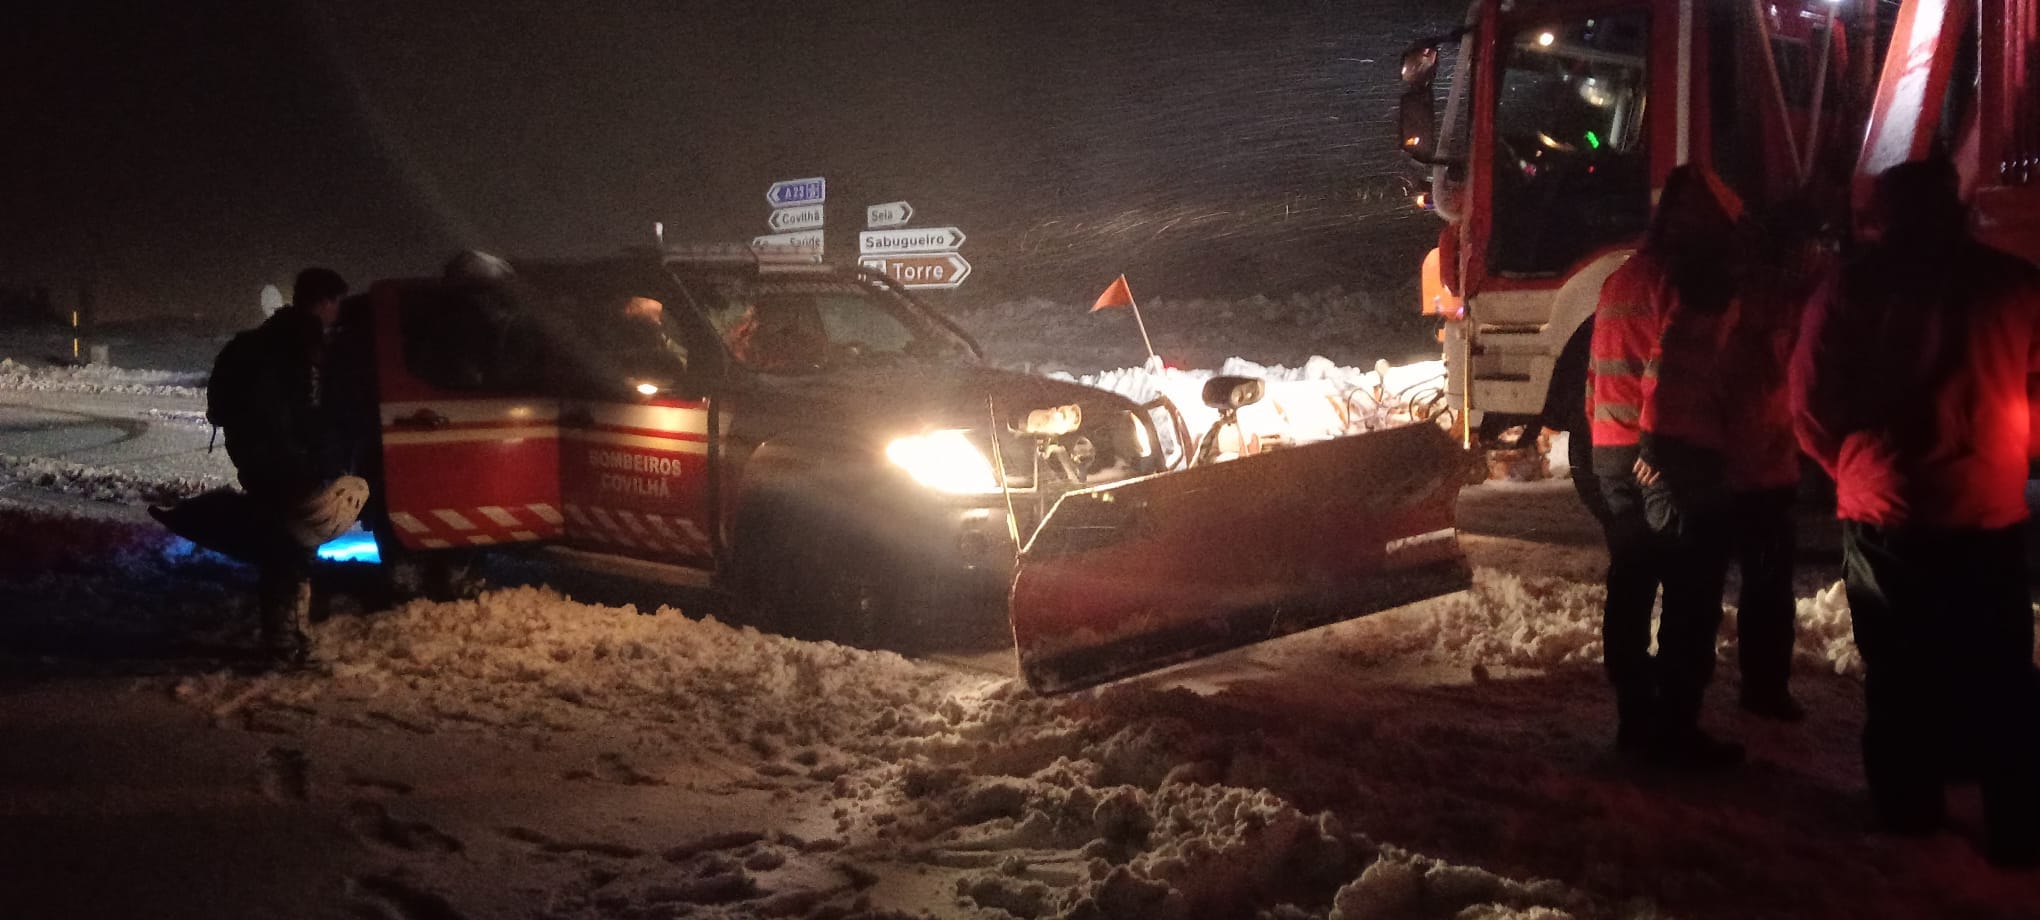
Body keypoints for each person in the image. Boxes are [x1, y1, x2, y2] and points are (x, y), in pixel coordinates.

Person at [1790, 158, 2040, 868]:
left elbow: (1807, 399)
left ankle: (1910, 819)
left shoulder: (1850, 288)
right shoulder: (2012, 281)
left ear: (1887, 215)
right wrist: (2006, 451)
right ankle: (2018, 824)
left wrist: (1853, 465)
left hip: (1886, 512)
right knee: (1999, 674)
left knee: (1900, 672)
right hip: (1985, 511)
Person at [1584, 165, 1744, 767]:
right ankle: (1677, 728)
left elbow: (1595, 378)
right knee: (1687, 591)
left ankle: (1633, 720)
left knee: (1629, 584)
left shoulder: (1617, 281)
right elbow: (1664, 371)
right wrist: (1661, 453)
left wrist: (1611, 446)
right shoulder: (1679, 281)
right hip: (1661, 453)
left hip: (1609, 450)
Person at [219, 267, 353, 663]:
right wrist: (308, 455)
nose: (338, 314)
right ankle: (283, 641)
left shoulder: (264, 339)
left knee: (286, 546)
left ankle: (289, 634)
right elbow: (305, 411)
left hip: (260, 462)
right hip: (289, 465)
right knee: (291, 549)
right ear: (325, 301)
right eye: (337, 304)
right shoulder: (303, 344)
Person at [1717, 207, 1820, 722]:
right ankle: (1763, 690)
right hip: (1764, 469)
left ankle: (1699, 688)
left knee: (1719, 584)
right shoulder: (1776, 311)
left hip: (1730, 466)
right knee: (1767, 590)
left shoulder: (1725, 302)